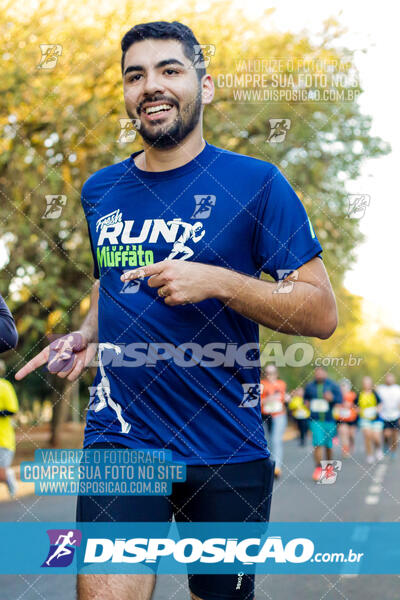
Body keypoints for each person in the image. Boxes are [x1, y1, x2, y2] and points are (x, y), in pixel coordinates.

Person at [15, 21, 337, 600]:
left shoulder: (258, 183)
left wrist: (217, 281)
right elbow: (106, 280)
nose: (151, 86)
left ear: (205, 86)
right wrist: (88, 333)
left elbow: (319, 312)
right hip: (123, 440)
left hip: (227, 447)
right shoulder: (99, 191)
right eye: (135, 75)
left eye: (170, 70)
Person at [304, 367, 342, 481]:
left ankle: (329, 468)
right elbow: (305, 399)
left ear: (325, 373)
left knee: (328, 446)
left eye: (321, 372)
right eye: (317, 372)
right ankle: (318, 468)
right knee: (317, 443)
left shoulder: (333, 385)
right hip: (315, 420)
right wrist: (306, 403)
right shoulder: (310, 386)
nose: (319, 374)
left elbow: (340, 400)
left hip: (329, 420)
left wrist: (332, 398)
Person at [260, 365, 288, 478]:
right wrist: (267, 399)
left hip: (278, 415)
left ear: (277, 373)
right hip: (264, 416)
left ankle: (276, 468)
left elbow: (284, 399)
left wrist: (287, 398)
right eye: (267, 372)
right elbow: (254, 401)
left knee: (276, 440)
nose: (270, 375)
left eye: (272, 372)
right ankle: (268, 466)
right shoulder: (261, 384)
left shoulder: (282, 384)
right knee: (266, 441)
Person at [0, 360, 19, 497]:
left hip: (3, 438)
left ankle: (9, 477)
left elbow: (13, 410)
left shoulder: (5, 386)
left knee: (1, 473)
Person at [355, 375, 383, 464]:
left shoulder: (375, 393)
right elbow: (355, 406)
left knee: (376, 438)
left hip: (376, 419)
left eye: (368, 383)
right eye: (365, 383)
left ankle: (378, 449)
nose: (366, 384)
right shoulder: (360, 394)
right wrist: (358, 410)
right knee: (367, 436)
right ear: (363, 384)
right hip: (364, 419)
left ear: (371, 384)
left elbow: (380, 403)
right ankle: (369, 455)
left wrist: (378, 409)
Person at [376, 373, 400, 460]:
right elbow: (375, 398)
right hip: (384, 415)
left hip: (396, 415)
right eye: (388, 378)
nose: (389, 380)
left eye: (391, 378)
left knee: (395, 435)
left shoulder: (397, 389)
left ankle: (393, 451)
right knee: (386, 434)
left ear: (394, 379)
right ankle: (386, 444)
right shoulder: (381, 388)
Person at [334, 378, 358, 458]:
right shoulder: (337, 395)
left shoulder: (353, 395)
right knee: (343, 433)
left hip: (352, 419)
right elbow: (334, 405)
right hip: (341, 418)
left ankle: (351, 443)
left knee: (351, 435)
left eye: (345, 386)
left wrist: (351, 405)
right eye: (342, 386)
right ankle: (345, 450)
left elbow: (358, 406)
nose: (343, 387)